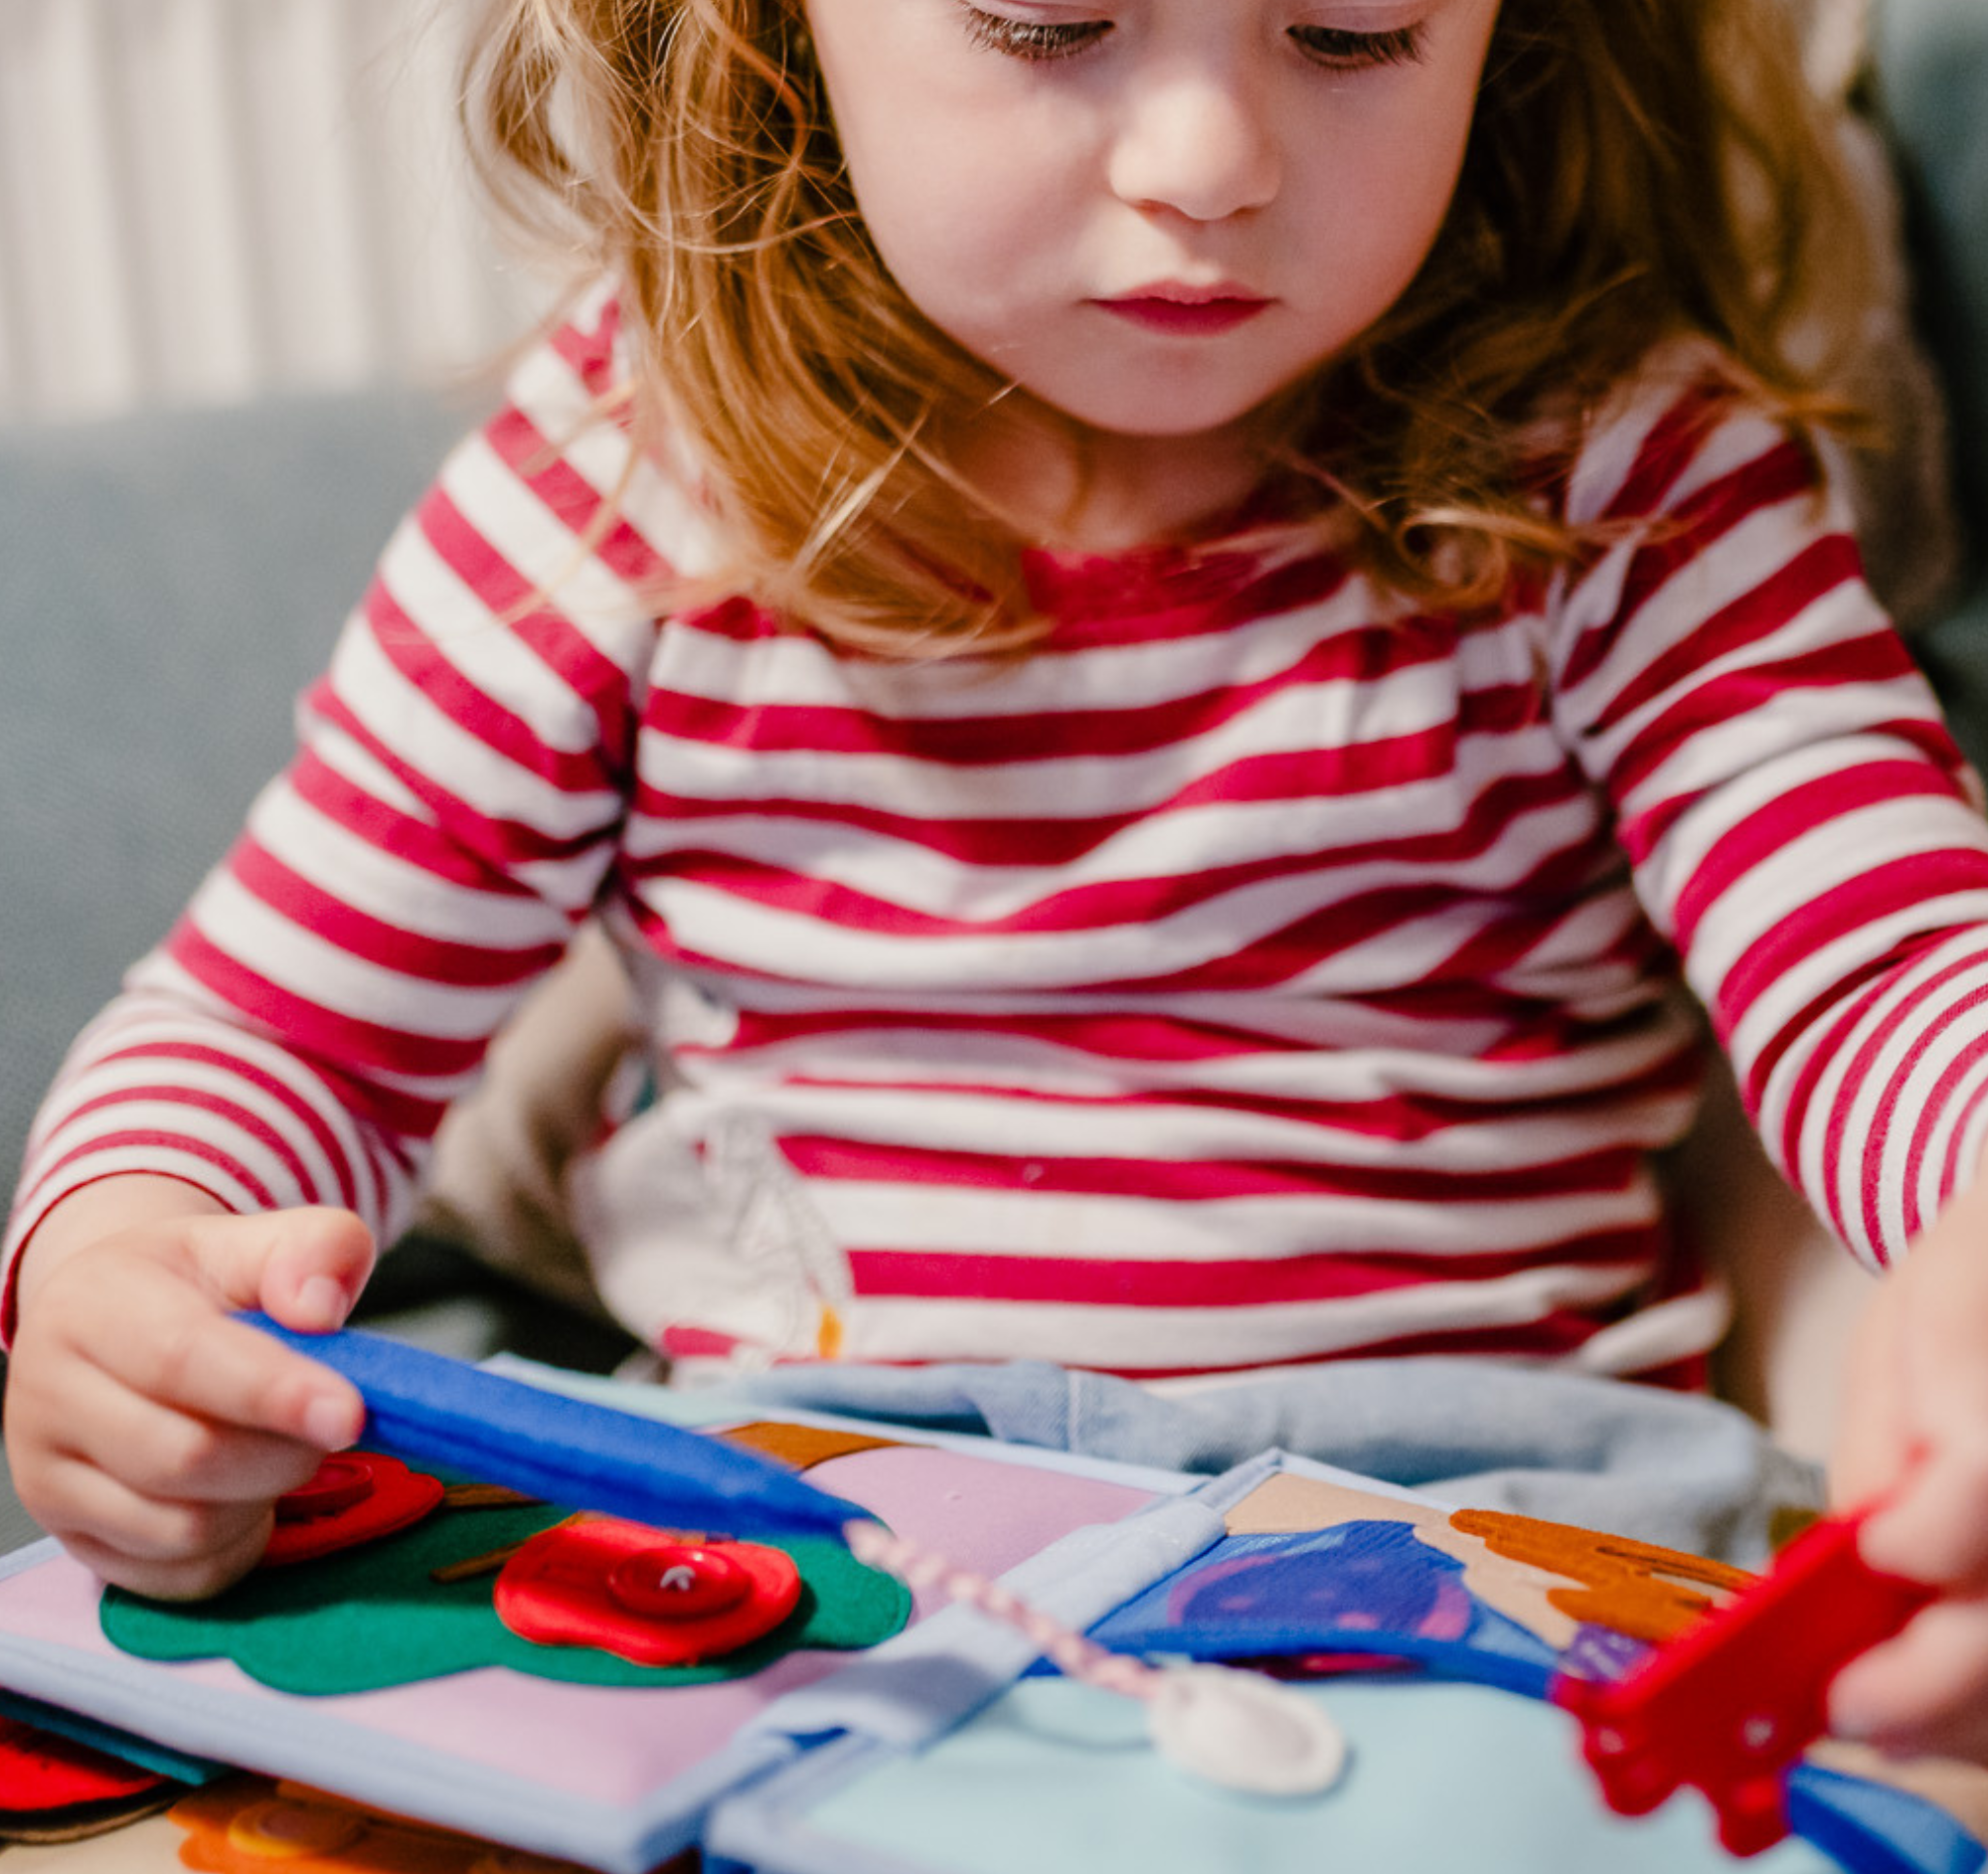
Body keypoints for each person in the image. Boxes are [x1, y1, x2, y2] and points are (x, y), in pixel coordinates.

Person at [6, 0, 1988, 1763]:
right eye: (1049, 24)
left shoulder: (1630, 486)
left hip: (1487, 1577)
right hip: (808, 1586)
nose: (1207, 162)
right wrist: (125, 1260)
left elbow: (1887, 966)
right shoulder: (612, 492)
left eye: (1355, 32)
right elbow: (284, 1035)